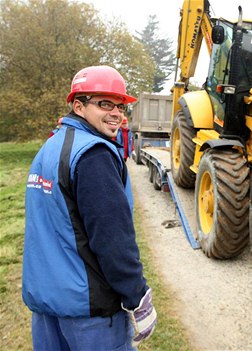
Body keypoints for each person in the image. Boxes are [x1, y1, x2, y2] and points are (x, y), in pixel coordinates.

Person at [22, 65, 157, 350]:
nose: (117, 113)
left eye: (120, 106)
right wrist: (137, 297)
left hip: (48, 304)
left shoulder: (51, 147)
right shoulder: (93, 155)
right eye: (105, 103)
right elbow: (113, 239)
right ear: (78, 106)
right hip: (90, 313)